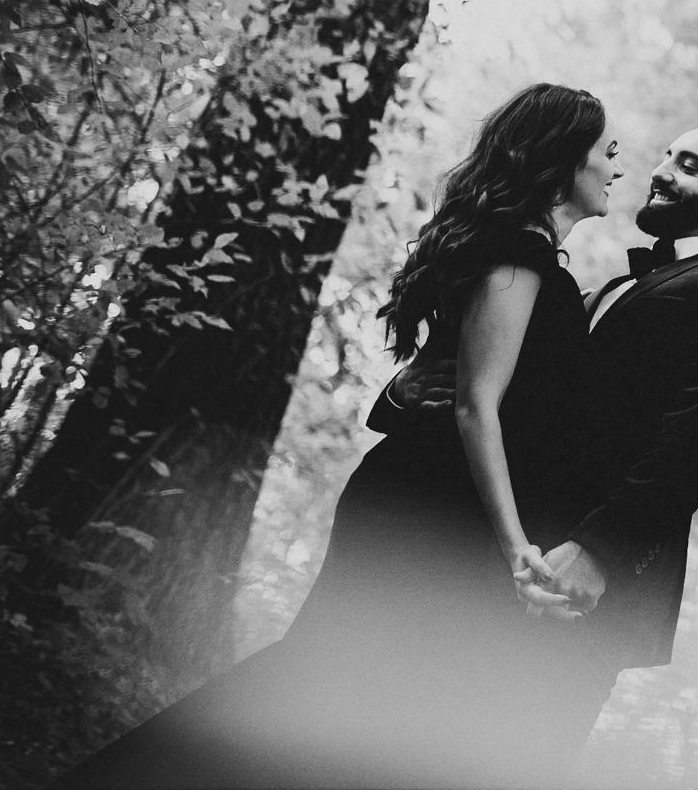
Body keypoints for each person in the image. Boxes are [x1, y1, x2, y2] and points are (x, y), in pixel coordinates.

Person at [57, 83, 626, 788]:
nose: (616, 166)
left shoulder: (518, 254)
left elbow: (441, 382)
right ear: (563, 160)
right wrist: (518, 550)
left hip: (434, 505)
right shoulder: (519, 257)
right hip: (426, 510)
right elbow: (477, 406)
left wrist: (413, 399)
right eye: (607, 150)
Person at [369, 111, 698, 771]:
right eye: (668, 154)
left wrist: (599, 553)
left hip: (587, 588)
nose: (661, 171)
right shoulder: (613, 288)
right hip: (517, 566)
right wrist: (406, 394)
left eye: (689, 166)